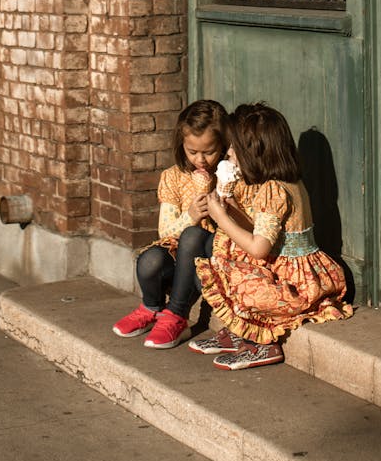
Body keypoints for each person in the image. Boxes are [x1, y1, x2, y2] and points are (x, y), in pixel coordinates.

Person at [190, 102, 353, 370]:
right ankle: (242, 332)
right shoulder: (288, 182)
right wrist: (230, 207)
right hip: (299, 268)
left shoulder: (273, 190)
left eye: (234, 149)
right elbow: (264, 229)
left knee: (234, 268)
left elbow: (259, 248)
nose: (228, 153)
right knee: (231, 248)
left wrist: (220, 218)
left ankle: (261, 345)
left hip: (296, 281)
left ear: (254, 152)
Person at [112, 99, 228, 349]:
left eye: (209, 152)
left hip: (212, 252)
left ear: (223, 144)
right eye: (192, 151)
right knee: (149, 261)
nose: (201, 159)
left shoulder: (229, 176)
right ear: (181, 145)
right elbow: (165, 232)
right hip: (178, 252)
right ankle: (152, 307)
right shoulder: (173, 177)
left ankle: (177, 315)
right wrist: (191, 215)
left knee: (194, 237)